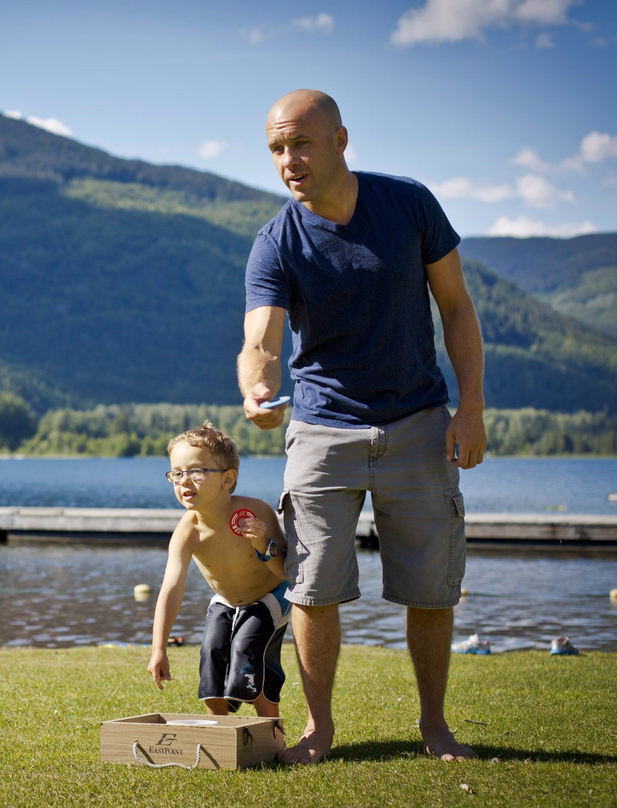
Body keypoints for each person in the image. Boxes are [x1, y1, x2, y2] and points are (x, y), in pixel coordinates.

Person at [237, 89, 487, 764]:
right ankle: (320, 730)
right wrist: (257, 388)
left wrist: (471, 409)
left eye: (302, 143)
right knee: (314, 589)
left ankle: (434, 728)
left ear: (341, 140)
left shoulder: (409, 206)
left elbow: (458, 308)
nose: (289, 160)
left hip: (419, 424)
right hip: (321, 433)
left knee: (431, 588)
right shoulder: (277, 241)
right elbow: (259, 339)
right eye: (277, 149)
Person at [147, 422, 290, 720]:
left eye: (197, 471)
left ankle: (272, 731)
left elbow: (284, 572)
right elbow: (171, 590)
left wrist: (264, 543)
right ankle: (218, 731)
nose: (184, 481)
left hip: (272, 595)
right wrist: (158, 648)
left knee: (249, 649)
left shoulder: (258, 512)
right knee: (211, 654)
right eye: (177, 473)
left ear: (228, 479)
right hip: (226, 599)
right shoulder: (187, 531)